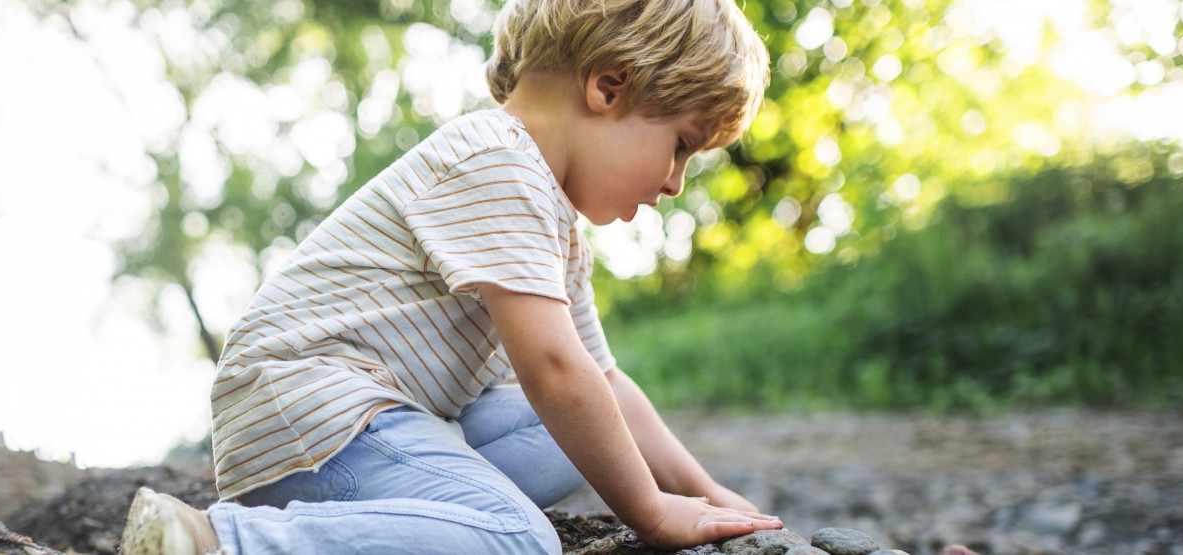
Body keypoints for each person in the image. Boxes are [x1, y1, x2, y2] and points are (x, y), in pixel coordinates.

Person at [119, 0, 775, 552]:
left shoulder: (552, 220)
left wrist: (707, 496)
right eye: (682, 145)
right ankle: (217, 539)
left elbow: (600, 382)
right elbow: (552, 367)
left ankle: (425, 513)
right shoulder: (499, 165)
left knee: (593, 428)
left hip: (378, 416)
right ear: (609, 86)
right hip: (315, 412)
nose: (674, 181)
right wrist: (653, 515)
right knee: (517, 537)